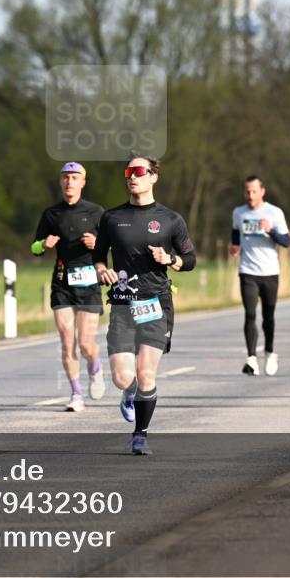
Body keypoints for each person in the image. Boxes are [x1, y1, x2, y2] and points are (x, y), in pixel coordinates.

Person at [94, 156, 196, 455]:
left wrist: (171, 260)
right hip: (123, 305)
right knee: (123, 376)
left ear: (153, 177)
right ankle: (129, 392)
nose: (132, 177)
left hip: (156, 303)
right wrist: (101, 270)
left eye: (139, 171)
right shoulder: (112, 218)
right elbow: (98, 255)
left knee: (146, 372)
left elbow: (190, 260)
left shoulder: (171, 219)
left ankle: (141, 435)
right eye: (128, 172)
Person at [31, 162, 106, 413]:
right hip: (62, 281)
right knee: (66, 341)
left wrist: (96, 243)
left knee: (85, 344)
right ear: (60, 182)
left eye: (74, 177)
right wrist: (44, 243)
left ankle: (95, 368)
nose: (69, 182)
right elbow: (34, 248)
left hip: (89, 282)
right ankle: (76, 394)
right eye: (65, 177)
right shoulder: (51, 214)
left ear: (83, 182)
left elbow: (111, 247)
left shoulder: (96, 213)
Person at [230, 176, 290, 375]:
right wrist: (235, 246)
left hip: (270, 272)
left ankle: (270, 352)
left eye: (254, 191)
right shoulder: (238, 212)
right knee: (249, 314)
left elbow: (286, 242)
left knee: (268, 316)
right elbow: (235, 232)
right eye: (247, 191)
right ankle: (251, 359)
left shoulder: (274, 212)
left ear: (262, 191)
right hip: (247, 271)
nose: (250, 195)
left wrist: (270, 230)